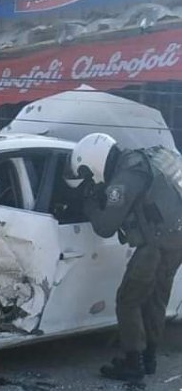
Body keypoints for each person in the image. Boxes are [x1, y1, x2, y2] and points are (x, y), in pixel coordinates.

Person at [73, 133, 182, 382]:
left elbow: (105, 227)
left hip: (154, 246)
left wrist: (89, 201)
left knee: (128, 300)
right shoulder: (148, 158)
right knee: (156, 298)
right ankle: (149, 359)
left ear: (94, 162)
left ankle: (133, 363)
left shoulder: (126, 177)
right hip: (176, 240)